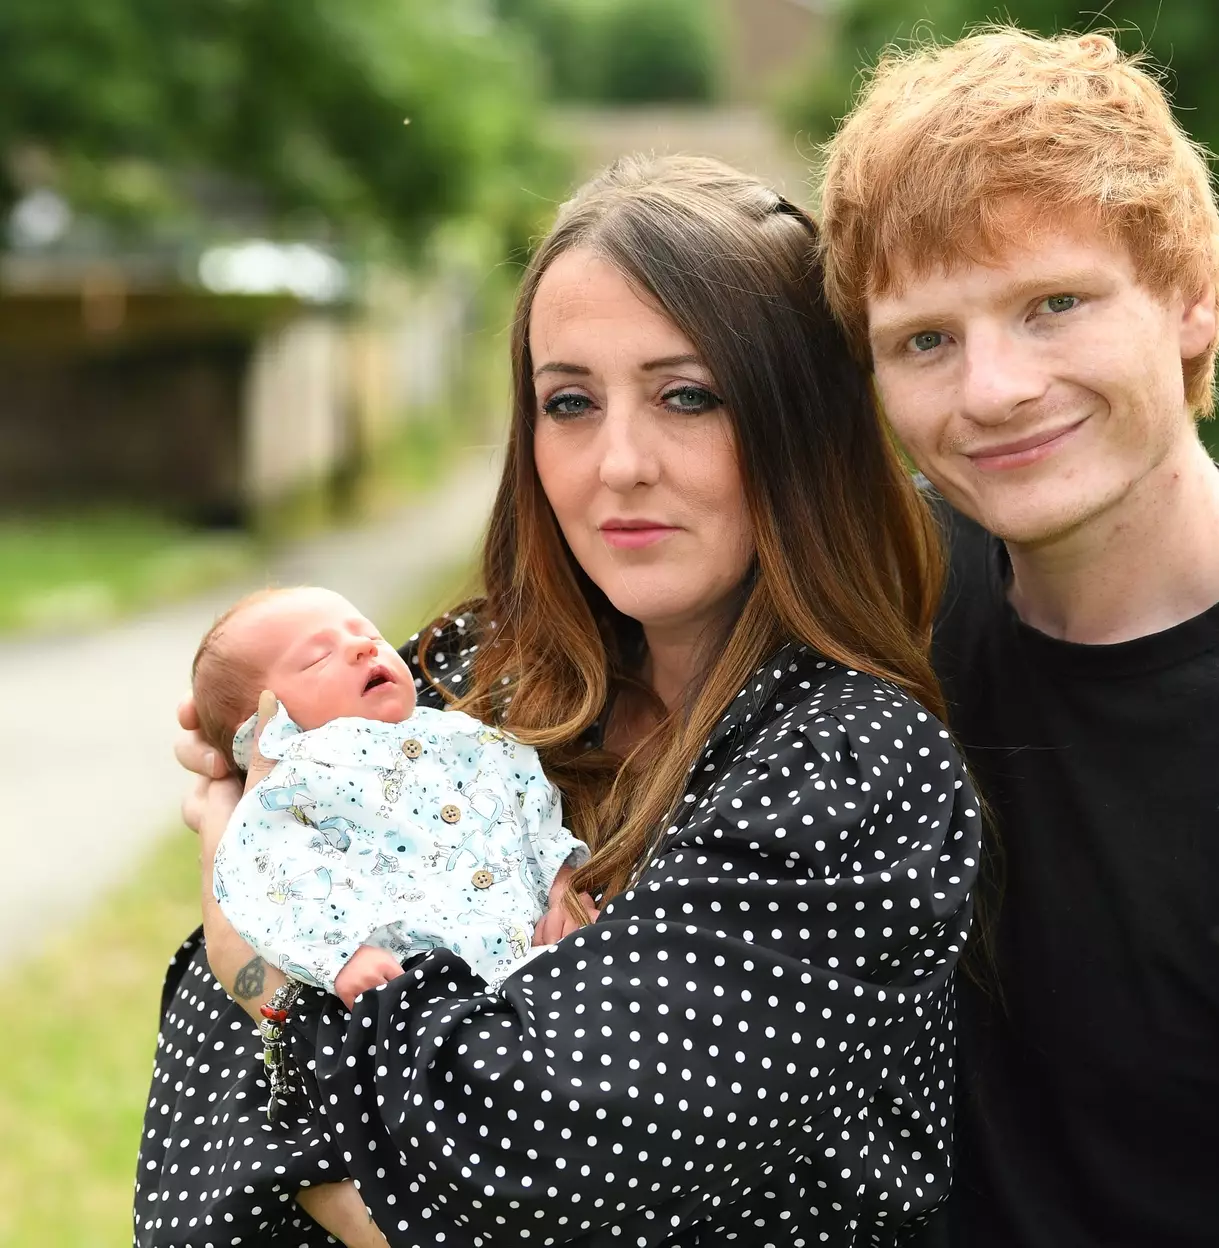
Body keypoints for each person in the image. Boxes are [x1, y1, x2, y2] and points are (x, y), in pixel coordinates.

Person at [134, 155, 982, 1247]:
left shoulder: (852, 776)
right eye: (569, 402)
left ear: (801, 424)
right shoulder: (463, 673)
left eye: (688, 395)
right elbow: (200, 1110)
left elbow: (523, 1180)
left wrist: (268, 980)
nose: (616, 463)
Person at [821, 26, 1219, 1247]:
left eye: (1053, 306)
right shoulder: (888, 601)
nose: (991, 388)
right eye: (925, 341)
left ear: (1194, 298)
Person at [193, 585, 591, 1005]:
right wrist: (342, 954)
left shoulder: (462, 735)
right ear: (263, 723)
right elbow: (272, 873)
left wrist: (561, 884)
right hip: (422, 984)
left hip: (539, 953)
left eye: (369, 634)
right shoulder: (294, 786)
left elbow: (530, 798)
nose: (363, 647)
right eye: (317, 657)